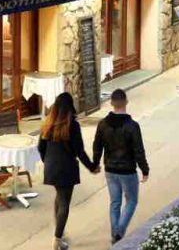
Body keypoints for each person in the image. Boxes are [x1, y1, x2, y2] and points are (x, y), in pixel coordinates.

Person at [39, 92, 99, 250]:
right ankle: (57, 239)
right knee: (64, 202)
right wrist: (92, 167)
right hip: (66, 169)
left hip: (51, 168)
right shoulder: (72, 126)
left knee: (59, 198)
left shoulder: (47, 124)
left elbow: (41, 148)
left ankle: (59, 231)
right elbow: (80, 151)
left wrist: (48, 162)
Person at [92, 89, 150, 244]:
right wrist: (145, 170)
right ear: (126, 102)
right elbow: (138, 150)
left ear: (111, 103)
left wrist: (95, 164)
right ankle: (119, 231)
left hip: (110, 169)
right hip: (127, 170)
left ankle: (115, 234)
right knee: (131, 201)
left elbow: (97, 147)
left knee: (115, 203)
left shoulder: (102, 124)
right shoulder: (132, 126)